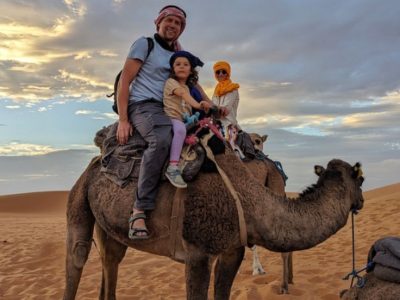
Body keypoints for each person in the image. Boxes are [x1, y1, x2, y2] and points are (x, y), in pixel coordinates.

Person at [116, 5, 209, 240]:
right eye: (169, 21)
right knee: (161, 139)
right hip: (144, 104)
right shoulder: (145, 44)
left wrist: (209, 103)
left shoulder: (179, 55)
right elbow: (125, 80)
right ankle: (139, 210)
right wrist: (124, 119)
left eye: (178, 23)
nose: (173, 26)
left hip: (173, 107)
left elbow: (193, 83)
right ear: (158, 23)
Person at [163, 51, 211, 188]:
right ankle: (172, 167)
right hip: (173, 117)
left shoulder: (188, 88)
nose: (182, 67)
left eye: (185, 64)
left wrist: (207, 108)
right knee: (179, 130)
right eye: (178, 64)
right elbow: (183, 95)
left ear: (191, 71)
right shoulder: (171, 82)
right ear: (173, 69)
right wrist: (199, 104)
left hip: (185, 119)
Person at [211, 61, 241, 148]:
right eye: (218, 72)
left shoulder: (232, 88)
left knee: (232, 152)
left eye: (223, 72)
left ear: (227, 73)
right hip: (216, 126)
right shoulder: (216, 90)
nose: (220, 74)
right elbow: (213, 105)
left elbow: (225, 110)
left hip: (228, 125)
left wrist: (212, 108)